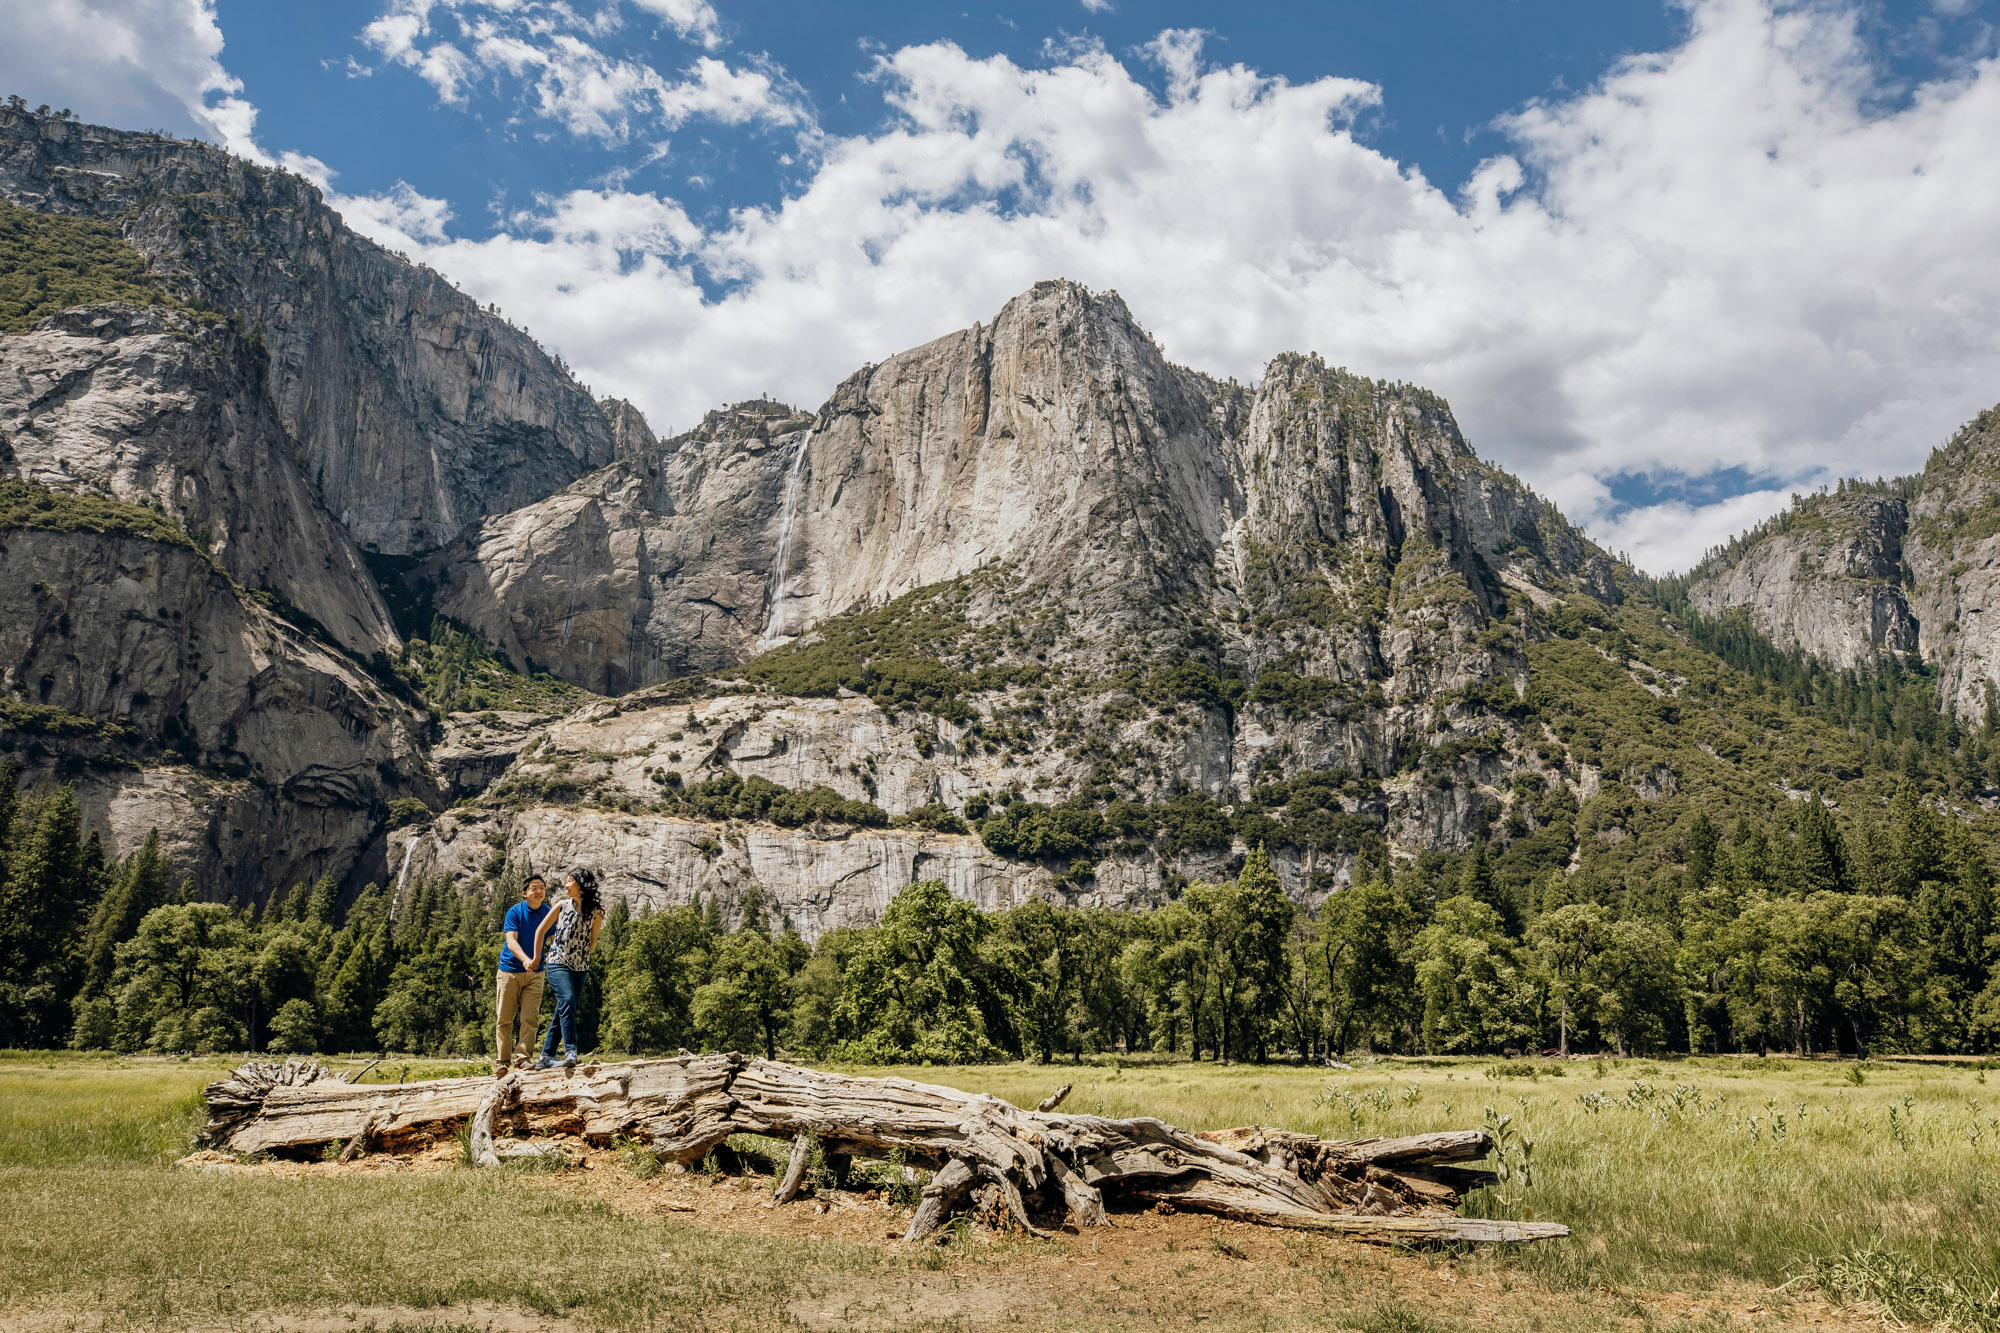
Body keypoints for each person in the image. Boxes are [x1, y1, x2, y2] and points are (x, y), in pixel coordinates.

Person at [532, 868, 602, 1070]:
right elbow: (541, 930)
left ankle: (545, 1056)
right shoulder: (561, 906)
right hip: (557, 962)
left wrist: (579, 955)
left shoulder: (595, 913)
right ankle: (571, 1050)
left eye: (570, 881)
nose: (566, 885)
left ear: (581, 884)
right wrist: (537, 958)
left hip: (580, 967)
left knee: (563, 1008)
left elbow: (592, 941)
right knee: (568, 1001)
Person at [493, 874, 552, 1078]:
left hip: (536, 974)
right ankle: (502, 1061)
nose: (539, 891)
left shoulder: (548, 913)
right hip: (509, 971)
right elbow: (511, 941)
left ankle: (523, 1060)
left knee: (530, 1018)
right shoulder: (515, 912)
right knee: (504, 1018)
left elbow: (555, 938)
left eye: (542, 888)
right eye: (534, 888)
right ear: (525, 893)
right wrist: (525, 959)